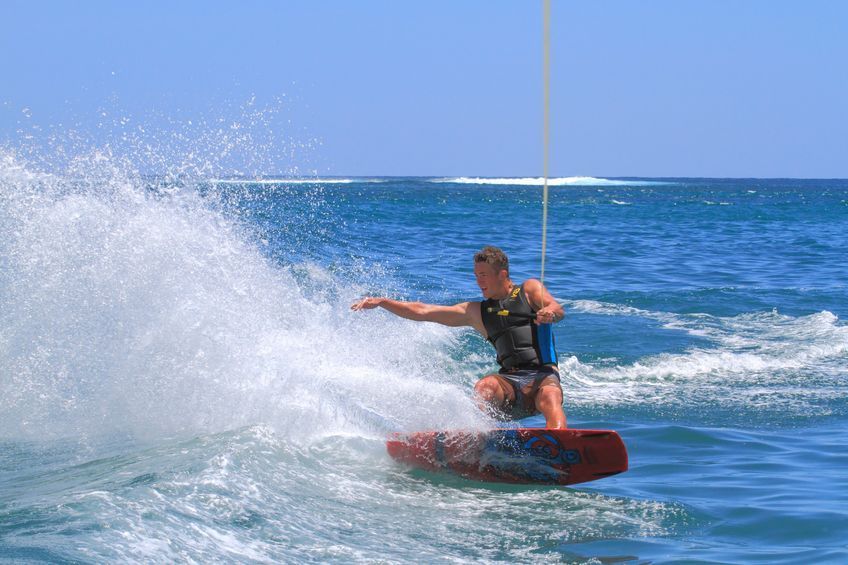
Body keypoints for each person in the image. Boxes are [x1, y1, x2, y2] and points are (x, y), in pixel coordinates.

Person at [351, 246, 566, 428]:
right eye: (476, 275)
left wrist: (550, 313)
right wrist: (382, 303)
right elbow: (423, 311)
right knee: (485, 387)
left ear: (502, 274)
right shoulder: (476, 312)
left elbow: (556, 308)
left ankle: (560, 442)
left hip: (542, 377)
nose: (478, 281)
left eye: (483, 275)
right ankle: (480, 440)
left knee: (550, 396)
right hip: (509, 383)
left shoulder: (528, 290)